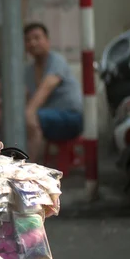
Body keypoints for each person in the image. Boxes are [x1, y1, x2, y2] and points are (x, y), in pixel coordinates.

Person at [23, 22, 83, 162]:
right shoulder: (28, 70)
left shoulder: (57, 61)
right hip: (48, 118)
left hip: (72, 117)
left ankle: (27, 168)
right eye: (28, 40)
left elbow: (45, 89)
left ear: (47, 41)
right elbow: (24, 96)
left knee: (31, 117)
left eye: (37, 38)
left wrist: (28, 112)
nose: (32, 43)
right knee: (18, 119)